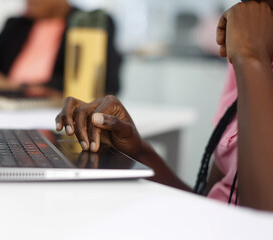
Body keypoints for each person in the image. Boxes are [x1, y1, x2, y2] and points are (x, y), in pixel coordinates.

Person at [55, 0, 273, 212]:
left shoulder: (249, 56)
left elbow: (262, 225)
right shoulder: (244, 60)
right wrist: (137, 150)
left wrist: (251, 59)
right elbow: (209, 200)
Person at [0, 0, 121, 98]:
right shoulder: (16, 25)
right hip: (3, 110)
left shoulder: (91, 24)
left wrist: (9, 85)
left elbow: (105, 85)